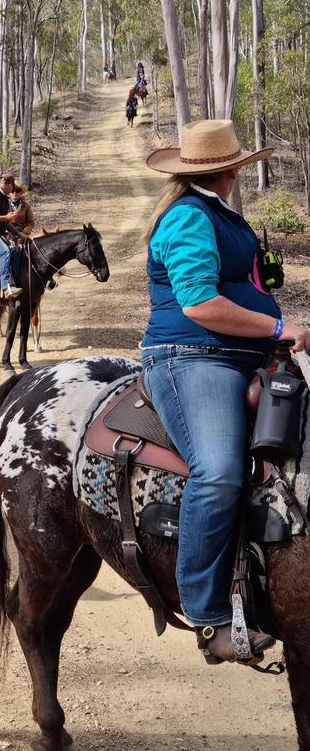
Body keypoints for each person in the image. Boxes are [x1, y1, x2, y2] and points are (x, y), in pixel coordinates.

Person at [140, 120, 310, 664]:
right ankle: (209, 614)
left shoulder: (218, 212)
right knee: (218, 470)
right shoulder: (190, 216)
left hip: (246, 356)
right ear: (231, 167)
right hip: (193, 358)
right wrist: (279, 329)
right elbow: (199, 306)